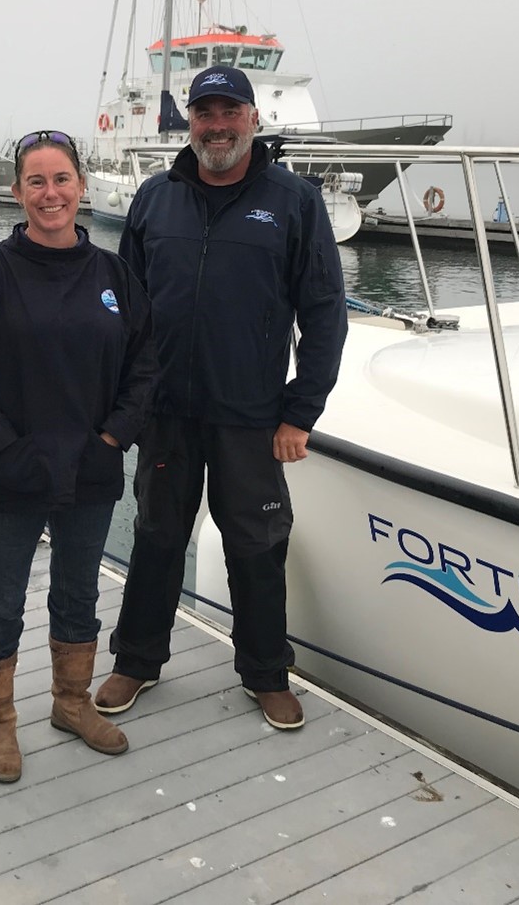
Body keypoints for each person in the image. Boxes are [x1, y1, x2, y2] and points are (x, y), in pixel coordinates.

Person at [95, 66, 348, 730]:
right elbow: (125, 308)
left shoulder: (293, 202)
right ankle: (136, 661)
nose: (216, 126)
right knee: (155, 538)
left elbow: (325, 314)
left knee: (256, 548)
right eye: (204, 113)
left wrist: (301, 410)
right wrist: (125, 401)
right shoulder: (153, 198)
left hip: (251, 416)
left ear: (251, 119)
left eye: (228, 112)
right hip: (165, 413)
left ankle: (266, 672)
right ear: (191, 122)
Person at [0, 130, 158, 782]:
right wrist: (3, 448)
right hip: (6, 471)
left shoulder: (114, 274)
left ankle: (70, 703)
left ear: (81, 187)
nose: (50, 192)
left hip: (90, 466)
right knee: (1, 599)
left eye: (60, 179)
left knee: (77, 592)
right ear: (16, 193)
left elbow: (145, 364)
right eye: (35, 181)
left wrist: (115, 435)